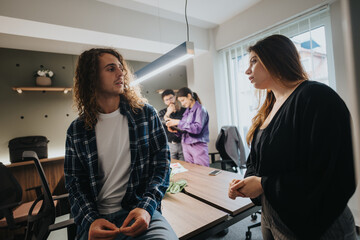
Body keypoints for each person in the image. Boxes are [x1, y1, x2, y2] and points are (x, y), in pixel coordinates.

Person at [228, 34, 356, 239]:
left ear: (275, 58)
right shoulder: (268, 109)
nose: (247, 70)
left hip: (316, 223)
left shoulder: (316, 97)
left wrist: (262, 184)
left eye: (254, 61)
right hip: (273, 215)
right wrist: (247, 184)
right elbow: (256, 160)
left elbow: (331, 173)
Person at [64, 48, 177, 240]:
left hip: (138, 210)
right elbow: (75, 183)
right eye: (110, 69)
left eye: (120, 68)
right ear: (92, 78)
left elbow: (162, 165)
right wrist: (91, 220)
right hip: (97, 219)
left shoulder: (145, 115)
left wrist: (147, 207)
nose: (120, 73)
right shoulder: (77, 130)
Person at [166, 87, 210, 166]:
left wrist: (178, 122)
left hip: (197, 145)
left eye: (183, 100)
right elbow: (186, 129)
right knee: (190, 171)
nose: (182, 104)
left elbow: (197, 128)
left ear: (189, 96)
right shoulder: (187, 111)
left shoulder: (200, 109)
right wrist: (176, 130)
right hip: (186, 145)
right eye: (180, 101)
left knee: (202, 172)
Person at [158, 89, 186, 160]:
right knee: (173, 167)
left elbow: (186, 124)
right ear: (164, 102)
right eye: (166, 100)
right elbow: (162, 123)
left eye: (171, 98)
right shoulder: (162, 112)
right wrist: (168, 113)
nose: (169, 101)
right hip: (170, 144)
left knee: (186, 166)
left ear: (175, 97)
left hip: (183, 143)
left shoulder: (184, 111)